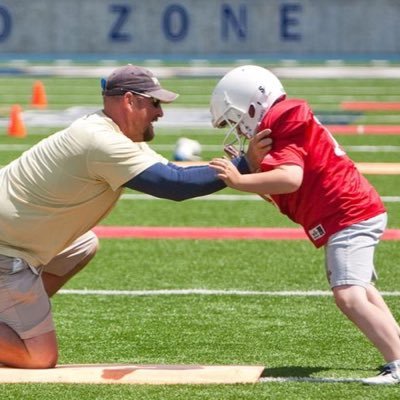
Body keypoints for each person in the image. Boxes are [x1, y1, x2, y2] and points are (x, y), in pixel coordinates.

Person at [0, 64, 272, 369]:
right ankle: (17, 327)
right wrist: (244, 165)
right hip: (7, 248)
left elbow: (175, 172)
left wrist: (244, 173)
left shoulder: (113, 134)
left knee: (83, 245)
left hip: (12, 238)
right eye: (154, 103)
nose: (160, 113)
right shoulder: (101, 141)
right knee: (39, 356)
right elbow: (174, 186)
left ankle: (9, 316)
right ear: (129, 100)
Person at [209, 65, 400, 385]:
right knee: (361, 288)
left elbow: (290, 178)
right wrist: (254, 169)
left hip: (348, 214)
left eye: (236, 119)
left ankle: (396, 361)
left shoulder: (283, 118)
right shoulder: (282, 119)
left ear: (252, 106)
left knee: (349, 295)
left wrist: (240, 179)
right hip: (347, 212)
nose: (239, 130)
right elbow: (280, 194)